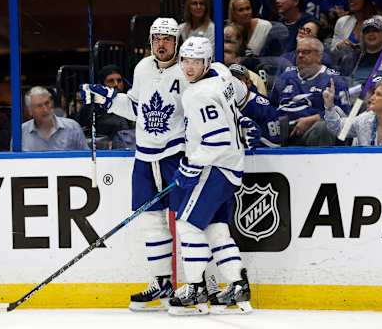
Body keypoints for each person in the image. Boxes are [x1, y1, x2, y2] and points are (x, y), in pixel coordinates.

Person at [81, 18, 188, 311]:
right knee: (151, 223)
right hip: (144, 157)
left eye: (167, 38)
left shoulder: (188, 69)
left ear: (176, 41)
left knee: (188, 222)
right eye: (156, 38)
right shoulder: (142, 68)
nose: (161, 44)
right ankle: (161, 283)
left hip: (176, 154)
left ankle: (195, 287)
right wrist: (107, 99)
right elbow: (137, 108)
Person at [168, 36, 252, 316]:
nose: (189, 68)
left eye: (196, 62)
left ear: (206, 61)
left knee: (187, 225)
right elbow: (241, 94)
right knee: (216, 229)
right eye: (185, 61)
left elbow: (216, 140)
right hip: (232, 168)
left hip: (214, 169)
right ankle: (238, 285)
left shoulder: (197, 94)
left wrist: (189, 167)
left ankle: (195, 288)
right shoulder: (222, 71)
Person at [270, 37, 351, 146]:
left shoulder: (334, 80)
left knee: (324, 128)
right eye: (298, 52)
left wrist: (313, 119)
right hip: (282, 130)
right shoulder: (286, 76)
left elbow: (344, 113)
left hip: (312, 132)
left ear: (319, 56)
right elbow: (271, 105)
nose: (300, 55)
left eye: (306, 52)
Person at [323, 78, 382, 146]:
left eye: (379, 95)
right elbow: (338, 128)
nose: (371, 98)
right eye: (374, 93)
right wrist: (329, 106)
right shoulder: (364, 119)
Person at [75, 65, 135, 149]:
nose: (116, 84)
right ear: (102, 84)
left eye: (119, 80)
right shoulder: (92, 104)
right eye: (111, 81)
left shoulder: (132, 99)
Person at [342, 17, 382, 85]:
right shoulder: (354, 57)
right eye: (367, 32)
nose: (371, 34)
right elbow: (343, 79)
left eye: (375, 30)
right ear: (363, 37)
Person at [21, 86, 88, 151]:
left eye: (47, 103)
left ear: (52, 103)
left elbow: (87, 159)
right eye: (39, 106)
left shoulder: (73, 128)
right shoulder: (21, 132)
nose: (45, 109)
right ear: (30, 111)